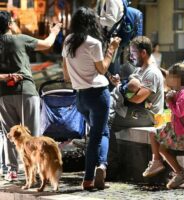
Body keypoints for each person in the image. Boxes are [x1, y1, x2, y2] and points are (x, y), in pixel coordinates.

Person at [62, 7, 121, 190]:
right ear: (91, 23)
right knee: (100, 134)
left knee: (96, 133)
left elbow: (66, 75)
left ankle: (94, 172)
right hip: (98, 95)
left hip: (80, 98)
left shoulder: (68, 41)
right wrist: (112, 48)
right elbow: (102, 68)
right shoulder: (93, 43)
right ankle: (94, 173)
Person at [0, 11, 61, 182]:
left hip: (3, 95)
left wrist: (6, 77)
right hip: (26, 91)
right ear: (9, 24)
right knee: (32, 135)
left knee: (9, 134)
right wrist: (55, 31)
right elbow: (47, 44)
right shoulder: (19, 39)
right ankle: (37, 170)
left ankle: (11, 171)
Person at [142, 63, 184, 189]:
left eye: (170, 76)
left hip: (182, 128)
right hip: (176, 125)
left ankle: (180, 173)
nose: (167, 79)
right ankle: (156, 162)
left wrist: (169, 101)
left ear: (178, 78)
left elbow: (179, 112)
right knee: (153, 133)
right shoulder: (178, 91)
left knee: (162, 149)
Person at [109, 36, 164, 131]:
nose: (131, 57)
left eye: (133, 53)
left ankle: (95, 144)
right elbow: (130, 90)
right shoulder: (139, 70)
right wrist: (118, 84)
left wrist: (122, 90)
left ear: (143, 53)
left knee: (108, 118)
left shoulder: (152, 73)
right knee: (103, 113)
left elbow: (137, 98)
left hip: (148, 115)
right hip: (137, 110)